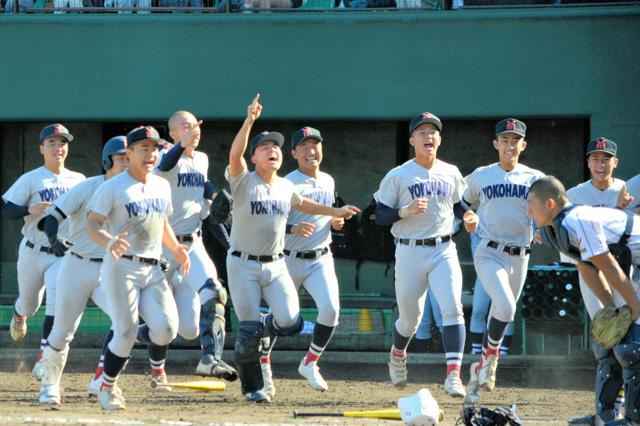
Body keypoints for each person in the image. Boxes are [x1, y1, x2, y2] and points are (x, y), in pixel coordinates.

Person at [226, 94, 359, 403]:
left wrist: (335, 213)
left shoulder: (286, 186)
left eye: (275, 146)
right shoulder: (243, 181)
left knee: (288, 320)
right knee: (247, 336)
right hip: (243, 264)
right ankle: (255, 387)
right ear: (255, 158)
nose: (271, 149)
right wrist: (249, 121)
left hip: (274, 264)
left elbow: (306, 204)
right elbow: (235, 156)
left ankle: (263, 325)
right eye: (264, 147)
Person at [374, 112, 478, 398]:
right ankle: (398, 353)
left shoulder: (450, 171)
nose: (428, 136)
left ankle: (454, 375)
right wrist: (403, 212)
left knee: (452, 309)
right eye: (421, 132)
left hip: (443, 249)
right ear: (412, 140)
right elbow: (379, 215)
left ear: (440, 139)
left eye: (433, 131)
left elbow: (459, 203)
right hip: (409, 250)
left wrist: (468, 214)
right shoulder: (398, 175)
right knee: (410, 320)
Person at [85, 126, 190, 411]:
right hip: (122, 268)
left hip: (153, 268)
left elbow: (163, 222)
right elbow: (92, 223)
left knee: (168, 329)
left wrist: (176, 247)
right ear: (128, 153)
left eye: (154, 148)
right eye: (143, 148)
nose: (150, 154)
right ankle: (107, 387)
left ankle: (132, 333)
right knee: (124, 332)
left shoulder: (161, 185)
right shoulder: (113, 187)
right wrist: (108, 242)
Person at [528, 175, 640, 425]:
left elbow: (608, 266)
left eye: (531, 203)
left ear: (549, 204)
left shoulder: (575, 220)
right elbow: (588, 269)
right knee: (607, 343)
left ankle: (634, 419)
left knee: (632, 347)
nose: (529, 210)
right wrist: (611, 309)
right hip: (628, 262)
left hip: (632, 262)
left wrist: (633, 309)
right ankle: (604, 417)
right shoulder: (553, 229)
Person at [37, 136, 129, 405]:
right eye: (121, 158)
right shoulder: (87, 186)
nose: (126, 162)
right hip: (76, 265)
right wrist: (54, 240)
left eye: (128, 157)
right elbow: (52, 217)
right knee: (62, 331)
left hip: (110, 269)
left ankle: (104, 380)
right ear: (107, 160)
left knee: (125, 324)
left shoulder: (135, 191)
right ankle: (50, 385)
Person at [461, 118, 544, 406]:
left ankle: (482, 363)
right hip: (489, 251)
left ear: (523, 145)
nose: (510, 145)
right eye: (504, 140)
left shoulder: (535, 177)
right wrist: (467, 215)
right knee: (506, 306)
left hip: (520, 255)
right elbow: (459, 199)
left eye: (515, 140)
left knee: (505, 311)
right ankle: (491, 360)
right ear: (495, 144)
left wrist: (544, 227)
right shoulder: (482, 175)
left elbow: (550, 208)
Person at [154, 111, 238, 382]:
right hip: (163, 244)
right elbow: (166, 166)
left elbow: (203, 183)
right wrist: (181, 145)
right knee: (156, 319)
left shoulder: (200, 158)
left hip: (192, 242)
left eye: (195, 124)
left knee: (210, 297)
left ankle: (209, 359)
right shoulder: (164, 152)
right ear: (173, 134)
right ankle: (157, 369)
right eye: (185, 126)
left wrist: (215, 197)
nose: (193, 129)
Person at [2, 124, 85, 379]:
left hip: (61, 252)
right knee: (30, 304)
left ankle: (44, 358)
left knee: (57, 303)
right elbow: (7, 211)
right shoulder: (31, 178)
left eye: (62, 143)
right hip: (32, 249)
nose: (58, 148)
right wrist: (31, 209)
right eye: (51, 143)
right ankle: (19, 314)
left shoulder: (78, 180)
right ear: (41, 148)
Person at [561, 138, 629, 425]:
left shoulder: (628, 190)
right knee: (606, 336)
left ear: (615, 162)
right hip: (591, 272)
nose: (601, 164)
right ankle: (605, 412)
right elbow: (566, 238)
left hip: (626, 273)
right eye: (595, 159)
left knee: (628, 343)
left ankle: (625, 410)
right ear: (588, 162)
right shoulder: (574, 194)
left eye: (606, 159)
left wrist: (625, 210)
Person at [279, 126, 346, 392]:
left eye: (315, 144)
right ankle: (263, 364)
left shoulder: (327, 180)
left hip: (320, 257)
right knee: (281, 318)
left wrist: (335, 220)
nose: (311, 151)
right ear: (294, 153)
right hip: (288, 258)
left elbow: (329, 216)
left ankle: (310, 362)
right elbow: (269, 222)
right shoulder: (287, 183)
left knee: (330, 311)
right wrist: (291, 228)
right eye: (304, 146)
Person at [468, 232, 515, 356]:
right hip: (485, 267)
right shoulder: (480, 216)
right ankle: (477, 351)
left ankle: (503, 351)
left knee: (506, 309)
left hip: (508, 264)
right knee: (478, 310)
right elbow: (475, 242)